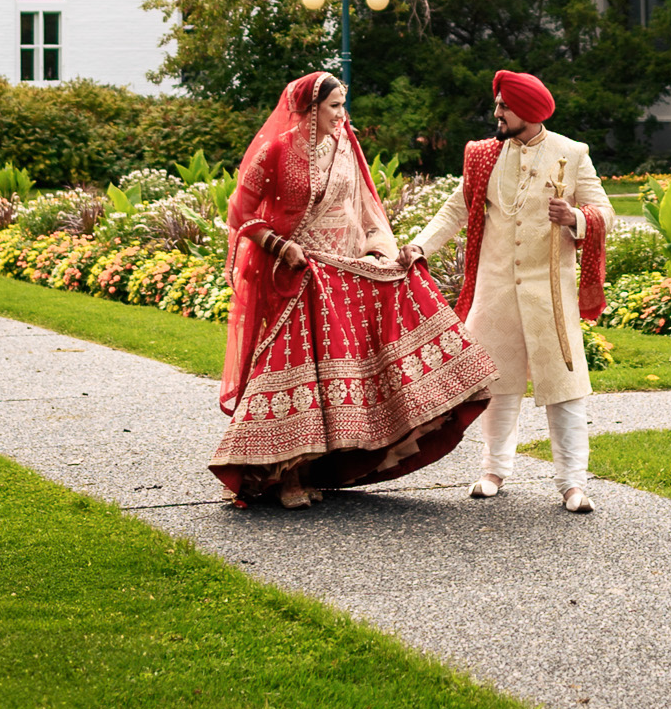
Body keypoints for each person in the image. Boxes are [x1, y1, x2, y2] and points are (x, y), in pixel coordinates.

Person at [211, 71, 496, 507]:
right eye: (334, 107)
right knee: (296, 376)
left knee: (335, 378)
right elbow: (241, 215)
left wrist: (381, 249)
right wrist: (280, 247)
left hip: (343, 274)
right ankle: (287, 478)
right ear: (310, 110)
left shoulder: (346, 145)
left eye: (343, 105)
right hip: (299, 275)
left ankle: (325, 468)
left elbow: (364, 205)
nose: (342, 115)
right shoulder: (276, 150)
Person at [405, 69, 612, 513]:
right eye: (497, 104)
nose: (496, 112)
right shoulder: (482, 156)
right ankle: (493, 470)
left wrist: (575, 217)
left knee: (565, 388)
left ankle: (573, 484)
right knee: (498, 385)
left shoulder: (572, 154)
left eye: (504, 106)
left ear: (530, 112)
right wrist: (419, 246)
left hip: (548, 295)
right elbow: (454, 208)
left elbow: (605, 213)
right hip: (495, 290)